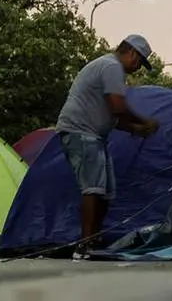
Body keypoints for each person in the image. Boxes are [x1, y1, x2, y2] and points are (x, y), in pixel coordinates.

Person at [56, 35, 160, 260]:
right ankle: (84, 245)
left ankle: (93, 239)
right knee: (93, 188)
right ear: (131, 53)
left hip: (93, 135)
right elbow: (118, 107)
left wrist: (136, 129)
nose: (138, 67)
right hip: (81, 132)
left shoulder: (109, 67)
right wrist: (145, 121)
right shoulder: (112, 67)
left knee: (106, 190)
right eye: (140, 62)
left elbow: (113, 117)